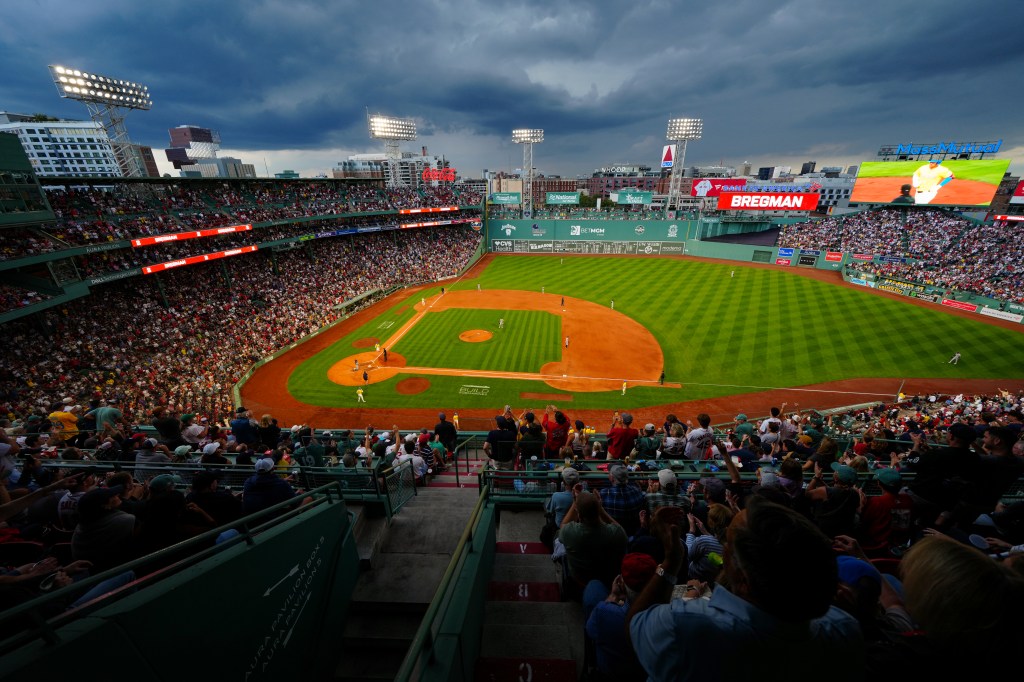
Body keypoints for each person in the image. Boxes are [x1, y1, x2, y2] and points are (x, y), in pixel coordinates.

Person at [626, 499, 863, 681]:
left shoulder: (685, 626)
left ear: (742, 579)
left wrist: (670, 562)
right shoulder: (844, 629)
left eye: (728, 545)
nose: (723, 549)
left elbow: (634, 624)